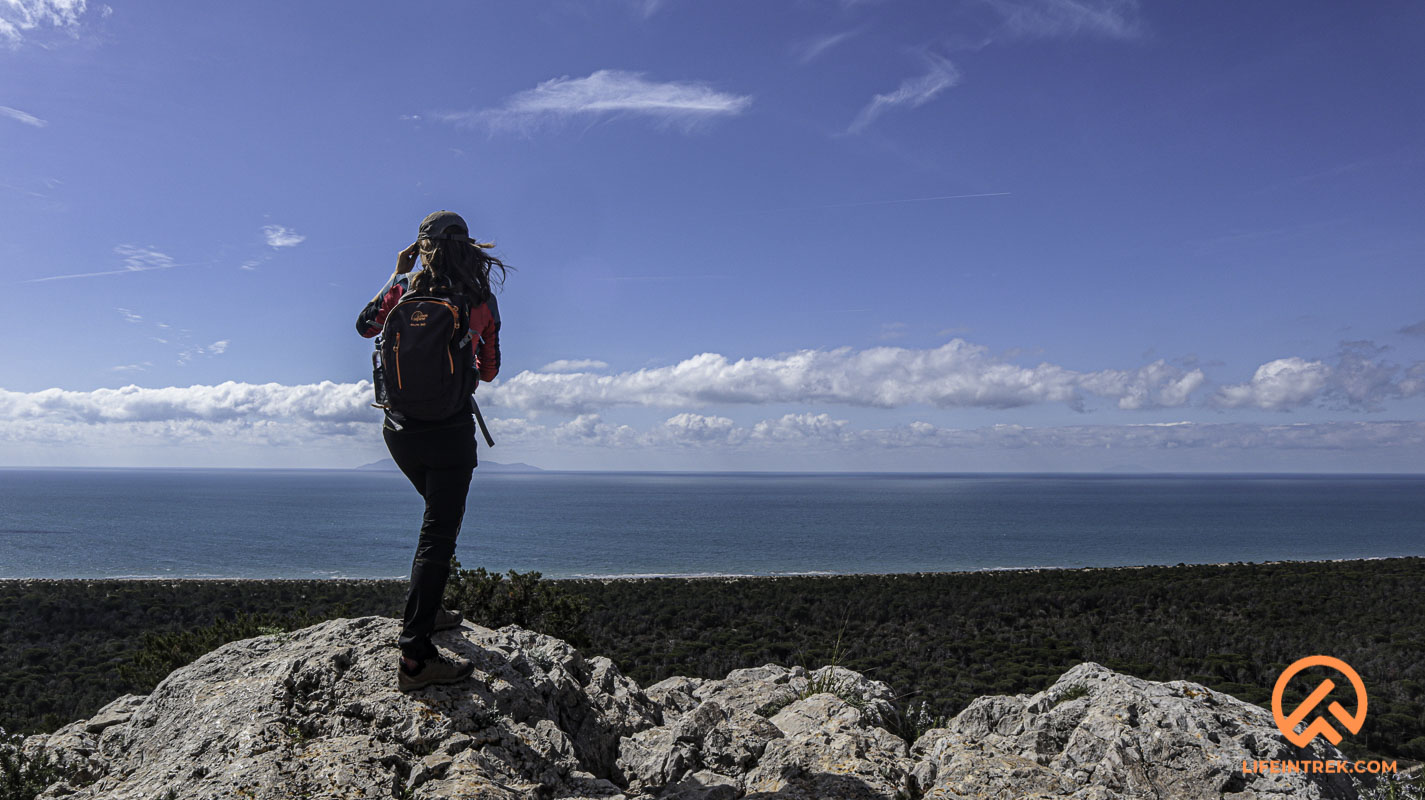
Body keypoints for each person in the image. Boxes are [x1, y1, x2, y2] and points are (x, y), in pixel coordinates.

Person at [356, 210, 506, 691]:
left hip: (398, 431)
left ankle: (432, 609)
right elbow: (488, 371)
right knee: (438, 535)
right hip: (449, 433)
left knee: (435, 523)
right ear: (468, 249)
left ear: (421, 248)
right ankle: (416, 658)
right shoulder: (478, 300)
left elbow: (364, 326)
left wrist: (397, 272)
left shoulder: (403, 291)